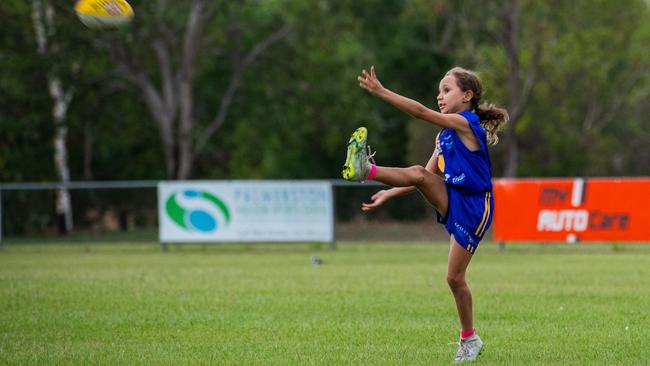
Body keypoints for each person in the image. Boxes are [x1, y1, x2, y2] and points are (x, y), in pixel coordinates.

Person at [343, 65, 508, 363]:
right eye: (439, 91)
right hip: (453, 196)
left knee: (454, 278)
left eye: (447, 90)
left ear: (467, 95)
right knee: (420, 174)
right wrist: (388, 192)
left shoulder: (465, 123)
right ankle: (367, 170)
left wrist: (381, 91)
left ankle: (469, 339)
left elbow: (419, 111)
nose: (439, 96)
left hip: (475, 205)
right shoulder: (443, 135)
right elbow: (422, 177)